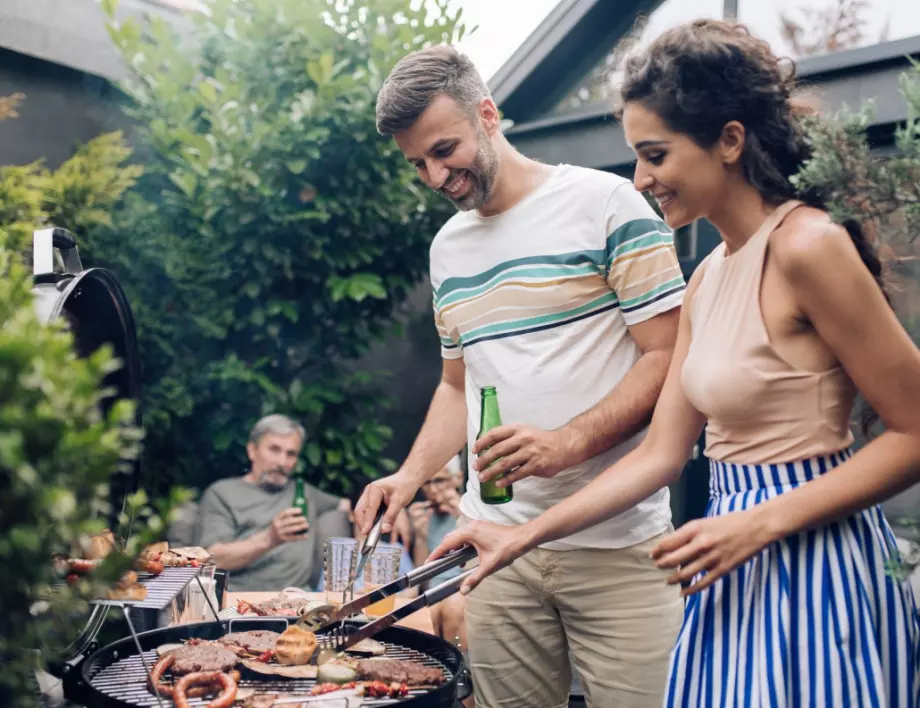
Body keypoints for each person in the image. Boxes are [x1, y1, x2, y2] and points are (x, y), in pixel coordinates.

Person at [431, 19, 920, 707]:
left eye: (655, 155)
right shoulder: (708, 276)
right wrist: (520, 537)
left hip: (814, 565)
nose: (642, 179)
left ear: (728, 141)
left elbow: (914, 434)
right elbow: (661, 453)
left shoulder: (808, 246)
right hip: (724, 565)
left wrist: (761, 521)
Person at [356, 44, 687, 708]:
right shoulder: (448, 249)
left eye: (445, 150)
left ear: (487, 114)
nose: (434, 176)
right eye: (417, 163)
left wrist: (566, 444)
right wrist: (411, 474)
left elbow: (669, 358)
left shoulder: (609, 204)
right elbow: (457, 384)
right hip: (493, 551)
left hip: (618, 547)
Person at [198, 414, 350, 592]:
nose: (282, 462)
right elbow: (213, 559)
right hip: (239, 603)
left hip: (299, 603)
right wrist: (270, 538)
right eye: (274, 450)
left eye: (291, 454)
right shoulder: (221, 493)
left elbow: (346, 506)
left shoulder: (304, 492)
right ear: (252, 450)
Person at [408, 455, 466, 647]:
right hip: (434, 592)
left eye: (440, 481)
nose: (433, 490)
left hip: (466, 589)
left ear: (457, 478)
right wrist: (421, 536)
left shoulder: (470, 509)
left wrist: (463, 516)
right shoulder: (426, 517)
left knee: (453, 606)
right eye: (427, 483)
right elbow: (421, 578)